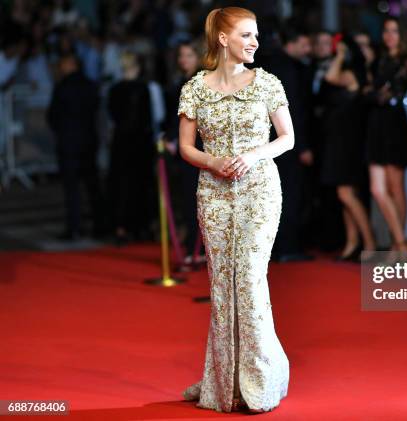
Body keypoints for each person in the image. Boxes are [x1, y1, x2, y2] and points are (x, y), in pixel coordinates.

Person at [178, 7, 292, 413]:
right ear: (223, 39)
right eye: (246, 34)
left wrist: (253, 155)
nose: (254, 42)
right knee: (222, 287)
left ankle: (261, 381)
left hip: (259, 190)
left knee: (248, 278)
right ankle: (224, 381)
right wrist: (212, 162)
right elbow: (187, 148)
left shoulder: (267, 84)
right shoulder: (194, 88)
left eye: (256, 35)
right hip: (213, 193)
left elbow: (287, 138)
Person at [259, 26, 314, 262]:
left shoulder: (268, 65)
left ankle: (276, 247)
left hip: (267, 142)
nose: (308, 49)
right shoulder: (288, 69)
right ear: (289, 43)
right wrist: (302, 146)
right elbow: (294, 112)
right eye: (304, 44)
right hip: (286, 142)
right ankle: (288, 247)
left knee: (272, 196)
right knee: (289, 194)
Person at [319, 35, 376, 261]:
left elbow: (330, 77)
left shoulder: (352, 74)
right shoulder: (357, 73)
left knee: (345, 193)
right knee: (345, 194)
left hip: (348, 141)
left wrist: (340, 55)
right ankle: (352, 243)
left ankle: (369, 242)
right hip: (340, 139)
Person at [365, 17, 407, 255]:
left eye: (394, 31)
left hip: (395, 125)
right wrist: (375, 93)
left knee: (396, 188)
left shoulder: (406, 61)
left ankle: (397, 246)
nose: (389, 35)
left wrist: (374, 93)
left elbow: (387, 93)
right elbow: (370, 94)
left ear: (401, 34)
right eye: (386, 31)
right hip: (376, 125)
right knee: (377, 189)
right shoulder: (378, 60)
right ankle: (401, 243)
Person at [46, 53, 105, 240]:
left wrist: (62, 131)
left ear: (72, 64)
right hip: (88, 140)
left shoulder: (62, 87)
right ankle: (99, 225)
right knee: (92, 185)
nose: (59, 67)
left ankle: (75, 227)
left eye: (62, 63)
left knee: (72, 188)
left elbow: (53, 116)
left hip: (69, 142)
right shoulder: (90, 85)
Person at [107, 52, 156, 244]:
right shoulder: (143, 89)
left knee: (121, 185)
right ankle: (140, 226)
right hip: (139, 142)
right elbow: (148, 117)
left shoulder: (115, 89)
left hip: (122, 142)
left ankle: (121, 226)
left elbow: (113, 116)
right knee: (139, 184)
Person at [164, 40, 204, 264]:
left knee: (198, 199)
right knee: (188, 199)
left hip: (197, 147)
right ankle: (193, 247)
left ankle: (199, 248)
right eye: (181, 55)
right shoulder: (181, 82)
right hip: (183, 146)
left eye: (188, 55)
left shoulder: (200, 82)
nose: (183, 60)